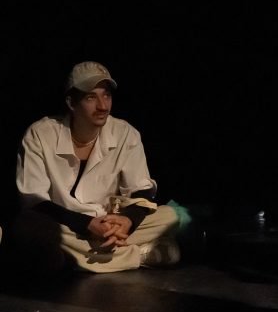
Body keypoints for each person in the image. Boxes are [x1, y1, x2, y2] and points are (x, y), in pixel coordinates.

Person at [12, 61, 180, 274]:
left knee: (169, 217)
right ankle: (138, 255)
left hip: (109, 225)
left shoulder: (125, 133)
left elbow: (141, 190)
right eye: (91, 97)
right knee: (28, 226)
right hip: (65, 225)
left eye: (106, 95)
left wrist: (127, 220)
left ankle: (74, 259)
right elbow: (34, 201)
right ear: (71, 103)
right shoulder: (40, 134)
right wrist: (86, 224)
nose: (103, 106)